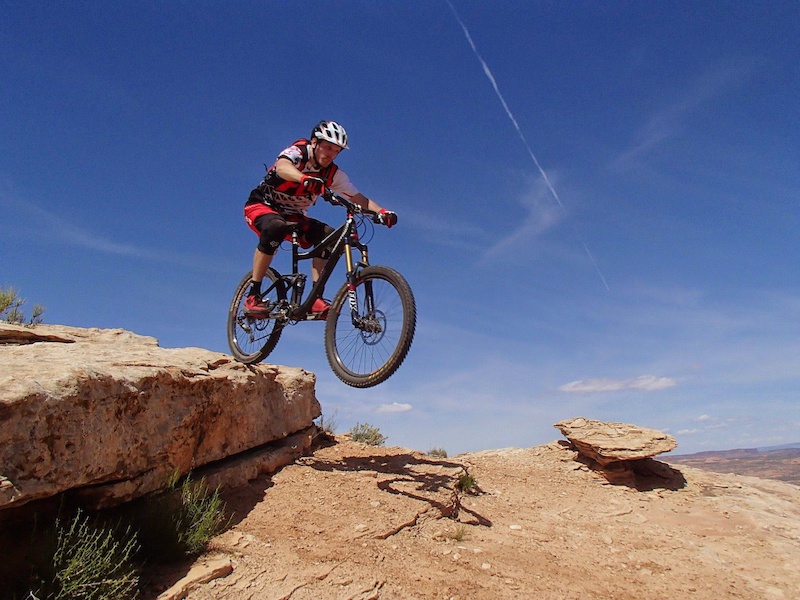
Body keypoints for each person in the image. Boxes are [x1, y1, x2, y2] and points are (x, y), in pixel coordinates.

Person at [243, 120, 396, 319]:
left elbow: (358, 198)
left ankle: (315, 297)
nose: (331, 154)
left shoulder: (333, 174)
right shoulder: (299, 152)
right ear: (314, 142)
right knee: (275, 227)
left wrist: (382, 212)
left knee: (331, 238)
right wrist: (303, 178)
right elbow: (282, 166)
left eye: (337, 151)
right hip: (262, 205)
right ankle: (253, 294)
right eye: (328, 147)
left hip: (295, 216)